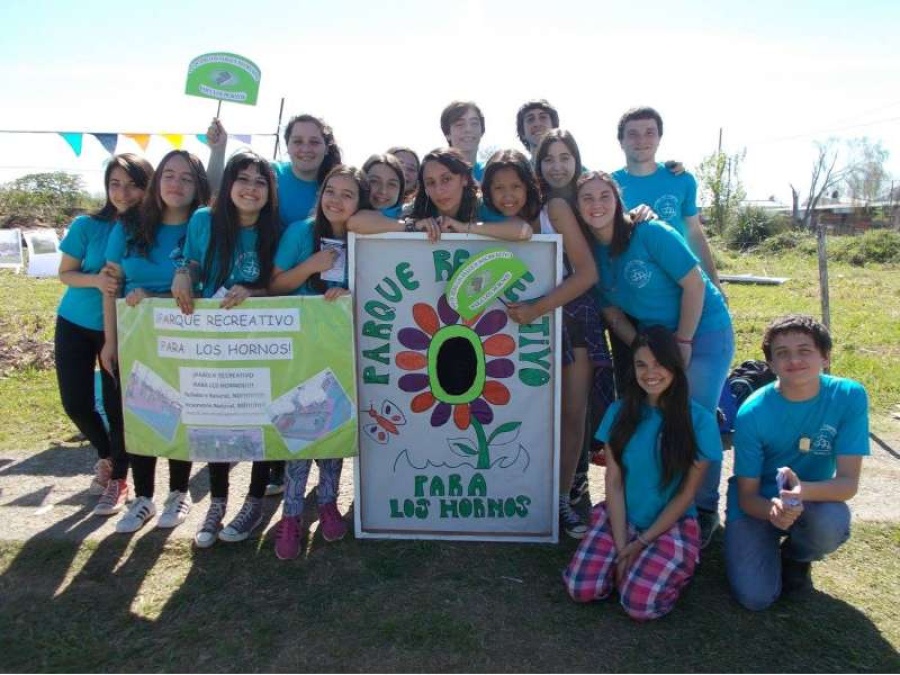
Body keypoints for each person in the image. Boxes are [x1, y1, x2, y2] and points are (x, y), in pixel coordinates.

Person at [576, 170, 734, 547]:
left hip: (704, 330)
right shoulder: (592, 256)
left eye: (604, 196)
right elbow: (612, 314)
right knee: (654, 418)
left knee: (693, 415)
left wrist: (683, 340)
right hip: (656, 344)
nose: (596, 205)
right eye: (587, 198)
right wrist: (649, 354)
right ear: (577, 208)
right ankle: (658, 505)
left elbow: (694, 284)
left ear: (618, 201)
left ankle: (704, 509)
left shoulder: (650, 232)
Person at [563, 327, 721, 620]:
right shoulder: (619, 411)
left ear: (675, 365)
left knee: (639, 606)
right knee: (579, 588)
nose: (651, 373)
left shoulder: (699, 420)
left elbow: (686, 494)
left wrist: (641, 544)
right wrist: (624, 546)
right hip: (622, 516)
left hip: (668, 524)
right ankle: (625, 567)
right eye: (641, 364)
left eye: (660, 363)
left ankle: (677, 567)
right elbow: (614, 480)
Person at [171, 150, 280, 547]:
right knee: (218, 418)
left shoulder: (276, 230)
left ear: (270, 191)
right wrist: (183, 274)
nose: (250, 189)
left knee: (263, 418)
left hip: (259, 343)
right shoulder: (204, 220)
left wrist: (253, 291)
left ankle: (254, 501)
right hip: (211, 340)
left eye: (260, 181)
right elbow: (194, 263)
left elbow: (278, 286)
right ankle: (217, 502)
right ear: (229, 184)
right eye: (243, 179)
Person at [509, 132, 614, 539]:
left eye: (565, 157)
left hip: (572, 317)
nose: (556, 165)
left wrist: (537, 308)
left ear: (577, 160)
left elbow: (588, 274)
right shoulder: (545, 203)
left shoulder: (569, 202)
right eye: (547, 158)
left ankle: (560, 502)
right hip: (538, 315)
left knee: (572, 416)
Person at [725, 314, 869, 610]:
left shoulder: (849, 396)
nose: (794, 360)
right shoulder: (752, 413)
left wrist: (799, 492)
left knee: (830, 522)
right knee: (756, 598)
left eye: (805, 351)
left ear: (825, 358)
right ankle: (763, 544)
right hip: (759, 504)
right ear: (771, 364)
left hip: (812, 498)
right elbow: (747, 495)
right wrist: (774, 510)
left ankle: (796, 557)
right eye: (782, 353)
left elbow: (847, 484)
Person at [100, 150, 210, 532]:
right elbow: (110, 286)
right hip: (134, 337)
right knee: (142, 412)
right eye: (169, 175)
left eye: (187, 178)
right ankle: (143, 497)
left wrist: (155, 299)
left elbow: (205, 287)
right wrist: (110, 342)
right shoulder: (129, 224)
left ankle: (179, 493)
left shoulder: (202, 225)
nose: (176, 184)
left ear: (198, 186)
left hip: (184, 334)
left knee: (180, 411)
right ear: (157, 180)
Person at [268, 165, 365, 560]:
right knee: (300, 425)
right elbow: (274, 286)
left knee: (335, 422)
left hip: (342, 346)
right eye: (331, 191)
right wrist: (310, 266)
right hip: (301, 345)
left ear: (360, 202)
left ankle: (327, 502)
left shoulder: (364, 238)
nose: (336, 200)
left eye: (348, 194)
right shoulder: (299, 233)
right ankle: (291, 514)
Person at [56, 153, 152, 516]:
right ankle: (107, 455)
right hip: (76, 323)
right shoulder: (86, 225)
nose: (123, 193)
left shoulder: (147, 229)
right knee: (76, 403)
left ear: (147, 188)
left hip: (124, 330)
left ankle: (119, 479)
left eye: (132, 185)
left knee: (119, 407)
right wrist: (95, 280)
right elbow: (66, 273)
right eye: (115, 184)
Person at [612, 106, 720, 289]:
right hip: (632, 289)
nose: (641, 140)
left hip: (679, 285)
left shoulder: (682, 179)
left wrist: (714, 282)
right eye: (632, 134)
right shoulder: (609, 186)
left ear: (659, 138)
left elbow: (693, 232)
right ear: (621, 141)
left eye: (649, 132)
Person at [348, 148, 532, 242]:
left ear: (465, 179)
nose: (439, 190)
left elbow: (523, 230)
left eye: (446, 179)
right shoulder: (415, 210)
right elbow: (356, 222)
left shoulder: (480, 206)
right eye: (431, 183)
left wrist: (465, 228)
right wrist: (413, 226)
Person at [440, 101, 486, 182]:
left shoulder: (490, 173)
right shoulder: (438, 174)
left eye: (474, 123)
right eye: (460, 124)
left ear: (482, 131)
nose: (468, 129)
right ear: (447, 134)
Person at [363, 153, 405, 218]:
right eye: (374, 181)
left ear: (400, 189)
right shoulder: (345, 216)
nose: (383, 191)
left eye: (392, 184)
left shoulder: (411, 222)